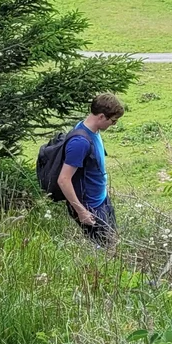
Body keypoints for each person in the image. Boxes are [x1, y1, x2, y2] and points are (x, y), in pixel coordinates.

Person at [55, 93, 125, 244]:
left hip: (101, 199)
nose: (114, 125)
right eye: (113, 121)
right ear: (101, 117)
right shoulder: (80, 142)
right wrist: (81, 211)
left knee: (113, 243)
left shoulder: (93, 130)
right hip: (91, 208)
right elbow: (63, 179)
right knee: (104, 250)